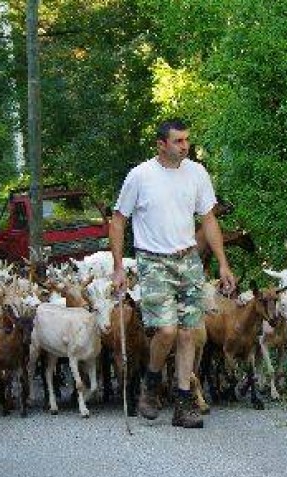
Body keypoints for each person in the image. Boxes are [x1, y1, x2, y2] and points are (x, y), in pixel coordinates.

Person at [110, 119, 235, 428]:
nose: (185, 146)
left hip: (188, 259)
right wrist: (117, 268)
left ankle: (183, 403)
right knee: (166, 330)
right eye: (178, 141)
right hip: (153, 261)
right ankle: (151, 385)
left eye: (187, 140)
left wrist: (222, 262)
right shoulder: (140, 176)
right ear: (161, 144)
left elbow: (208, 220)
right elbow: (117, 221)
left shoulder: (197, 173)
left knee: (187, 332)